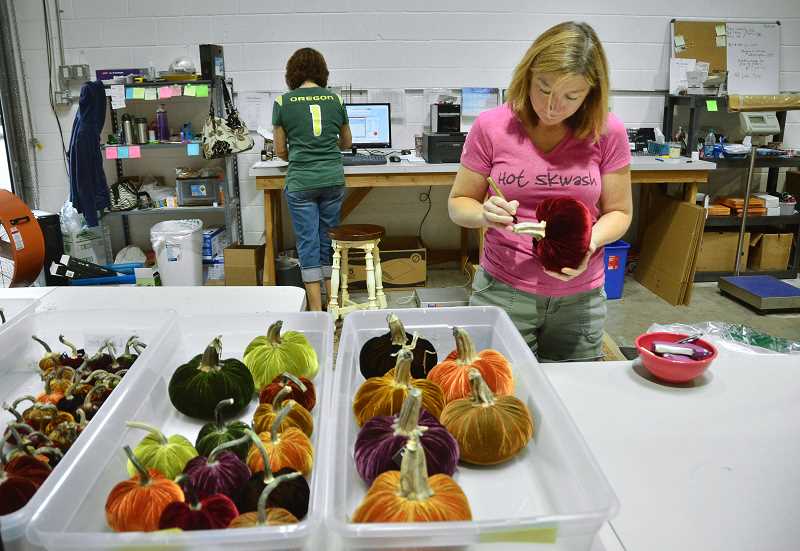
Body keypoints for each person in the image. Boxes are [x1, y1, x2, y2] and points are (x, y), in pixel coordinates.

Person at [449, 21, 632, 362]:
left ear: (591, 93)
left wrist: (589, 242)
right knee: (504, 399)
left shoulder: (608, 131)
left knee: (574, 398)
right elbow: (458, 204)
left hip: (580, 299)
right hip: (504, 291)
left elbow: (620, 213)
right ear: (527, 75)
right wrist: (483, 214)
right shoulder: (492, 126)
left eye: (570, 97)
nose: (551, 107)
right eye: (543, 88)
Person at [273, 48, 352, 311]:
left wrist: (299, 153)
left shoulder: (283, 103)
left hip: (301, 182)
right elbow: (346, 143)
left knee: (307, 242)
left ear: (292, 73)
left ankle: (316, 310)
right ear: (322, 72)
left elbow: (280, 150)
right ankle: (333, 306)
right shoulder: (336, 100)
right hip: (332, 179)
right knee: (328, 241)